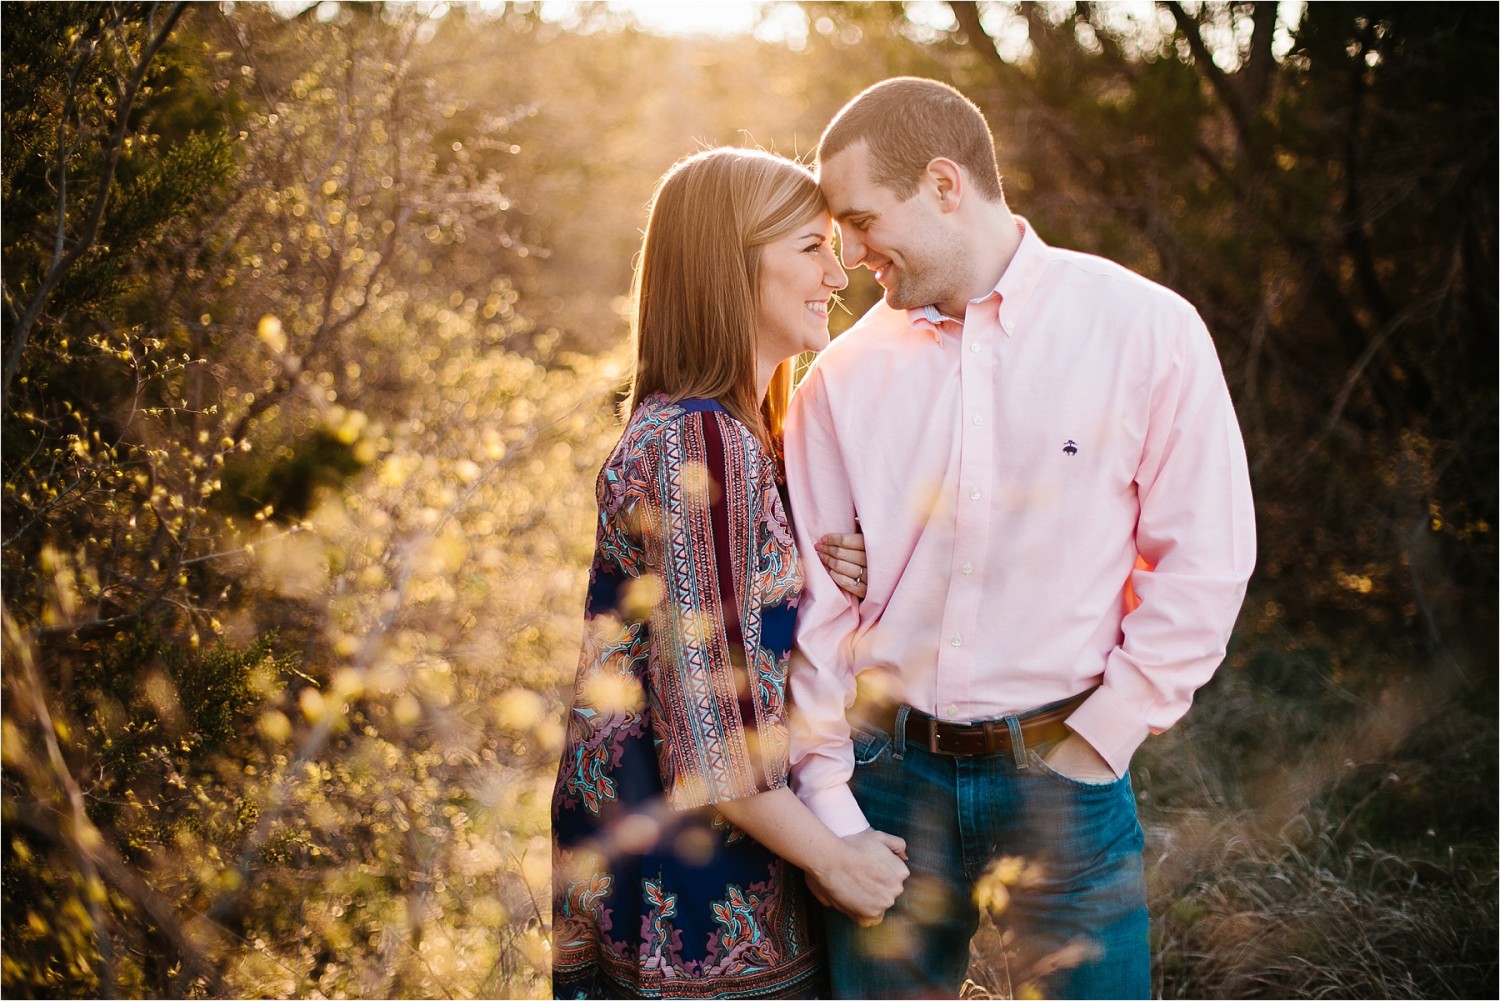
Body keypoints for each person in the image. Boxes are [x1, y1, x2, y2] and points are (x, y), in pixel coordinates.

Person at [785, 78, 1257, 999]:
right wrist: (830, 803)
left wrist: (1104, 737)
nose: (847, 255)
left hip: (1066, 771)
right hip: (885, 782)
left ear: (944, 183)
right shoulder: (839, 378)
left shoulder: (1146, 330)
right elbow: (813, 609)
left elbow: (1205, 555)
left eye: (861, 218)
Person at [551, 147, 910, 1000]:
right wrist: (837, 859)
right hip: (699, 901)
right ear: (730, 265)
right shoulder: (700, 443)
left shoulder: (724, 435)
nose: (839, 273)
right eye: (810, 249)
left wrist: (828, 565)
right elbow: (713, 729)